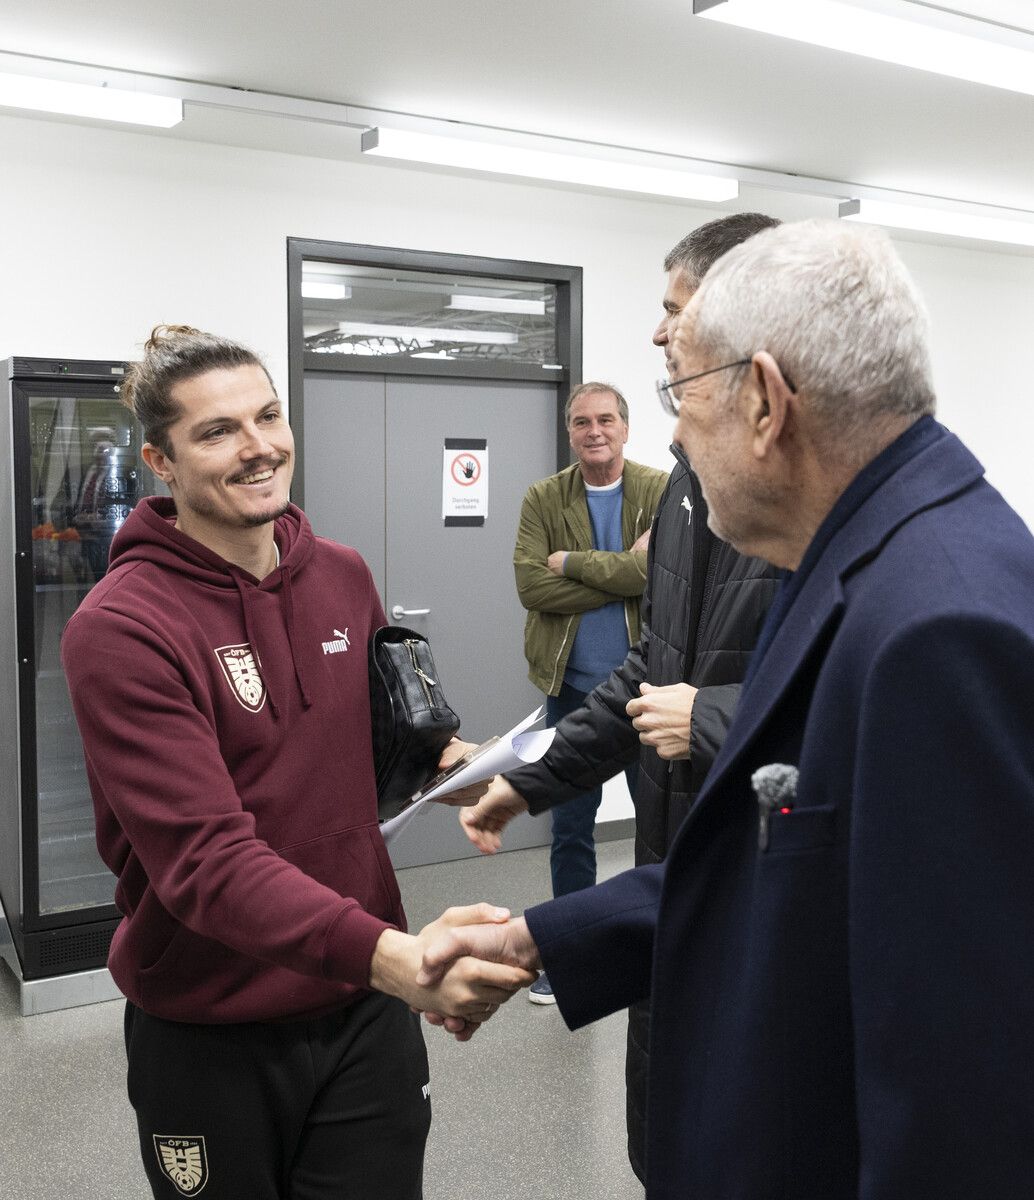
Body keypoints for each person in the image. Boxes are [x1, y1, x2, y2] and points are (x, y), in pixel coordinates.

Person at [421, 220, 1034, 1199]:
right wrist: (542, 938)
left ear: (762, 401)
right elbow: (778, 871)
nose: (666, 432)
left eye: (680, 394)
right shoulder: (846, 564)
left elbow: (961, 1082)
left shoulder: (936, 624)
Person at [60, 325, 533, 1200]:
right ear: (160, 462)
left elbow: (381, 737)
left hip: (360, 1009)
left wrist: (455, 762)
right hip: (211, 1021)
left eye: (268, 416)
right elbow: (204, 862)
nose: (258, 447)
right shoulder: (121, 628)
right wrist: (400, 959)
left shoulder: (342, 574)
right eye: (217, 432)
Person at [457, 213, 781, 1172]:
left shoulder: (813, 509)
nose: (655, 333)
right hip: (671, 874)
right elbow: (650, 664)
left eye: (672, 313)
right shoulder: (690, 483)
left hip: (761, 901)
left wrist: (713, 718)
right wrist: (537, 776)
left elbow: (858, 721)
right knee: (664, 1141)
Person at [512, 380, 667, 1003]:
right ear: (570, 432)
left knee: (656, 827)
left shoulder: (663, 490)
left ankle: (657, 944)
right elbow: (531, 588)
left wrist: (571, 562)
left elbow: (662, 578)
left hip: (645, 689)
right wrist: (624, 573)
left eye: (606, 420)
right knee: (570, 830)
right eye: (581, 422)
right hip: (570, 691)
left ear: (626, 428)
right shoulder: (544, 497)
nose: (594, 431)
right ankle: (570, 957)